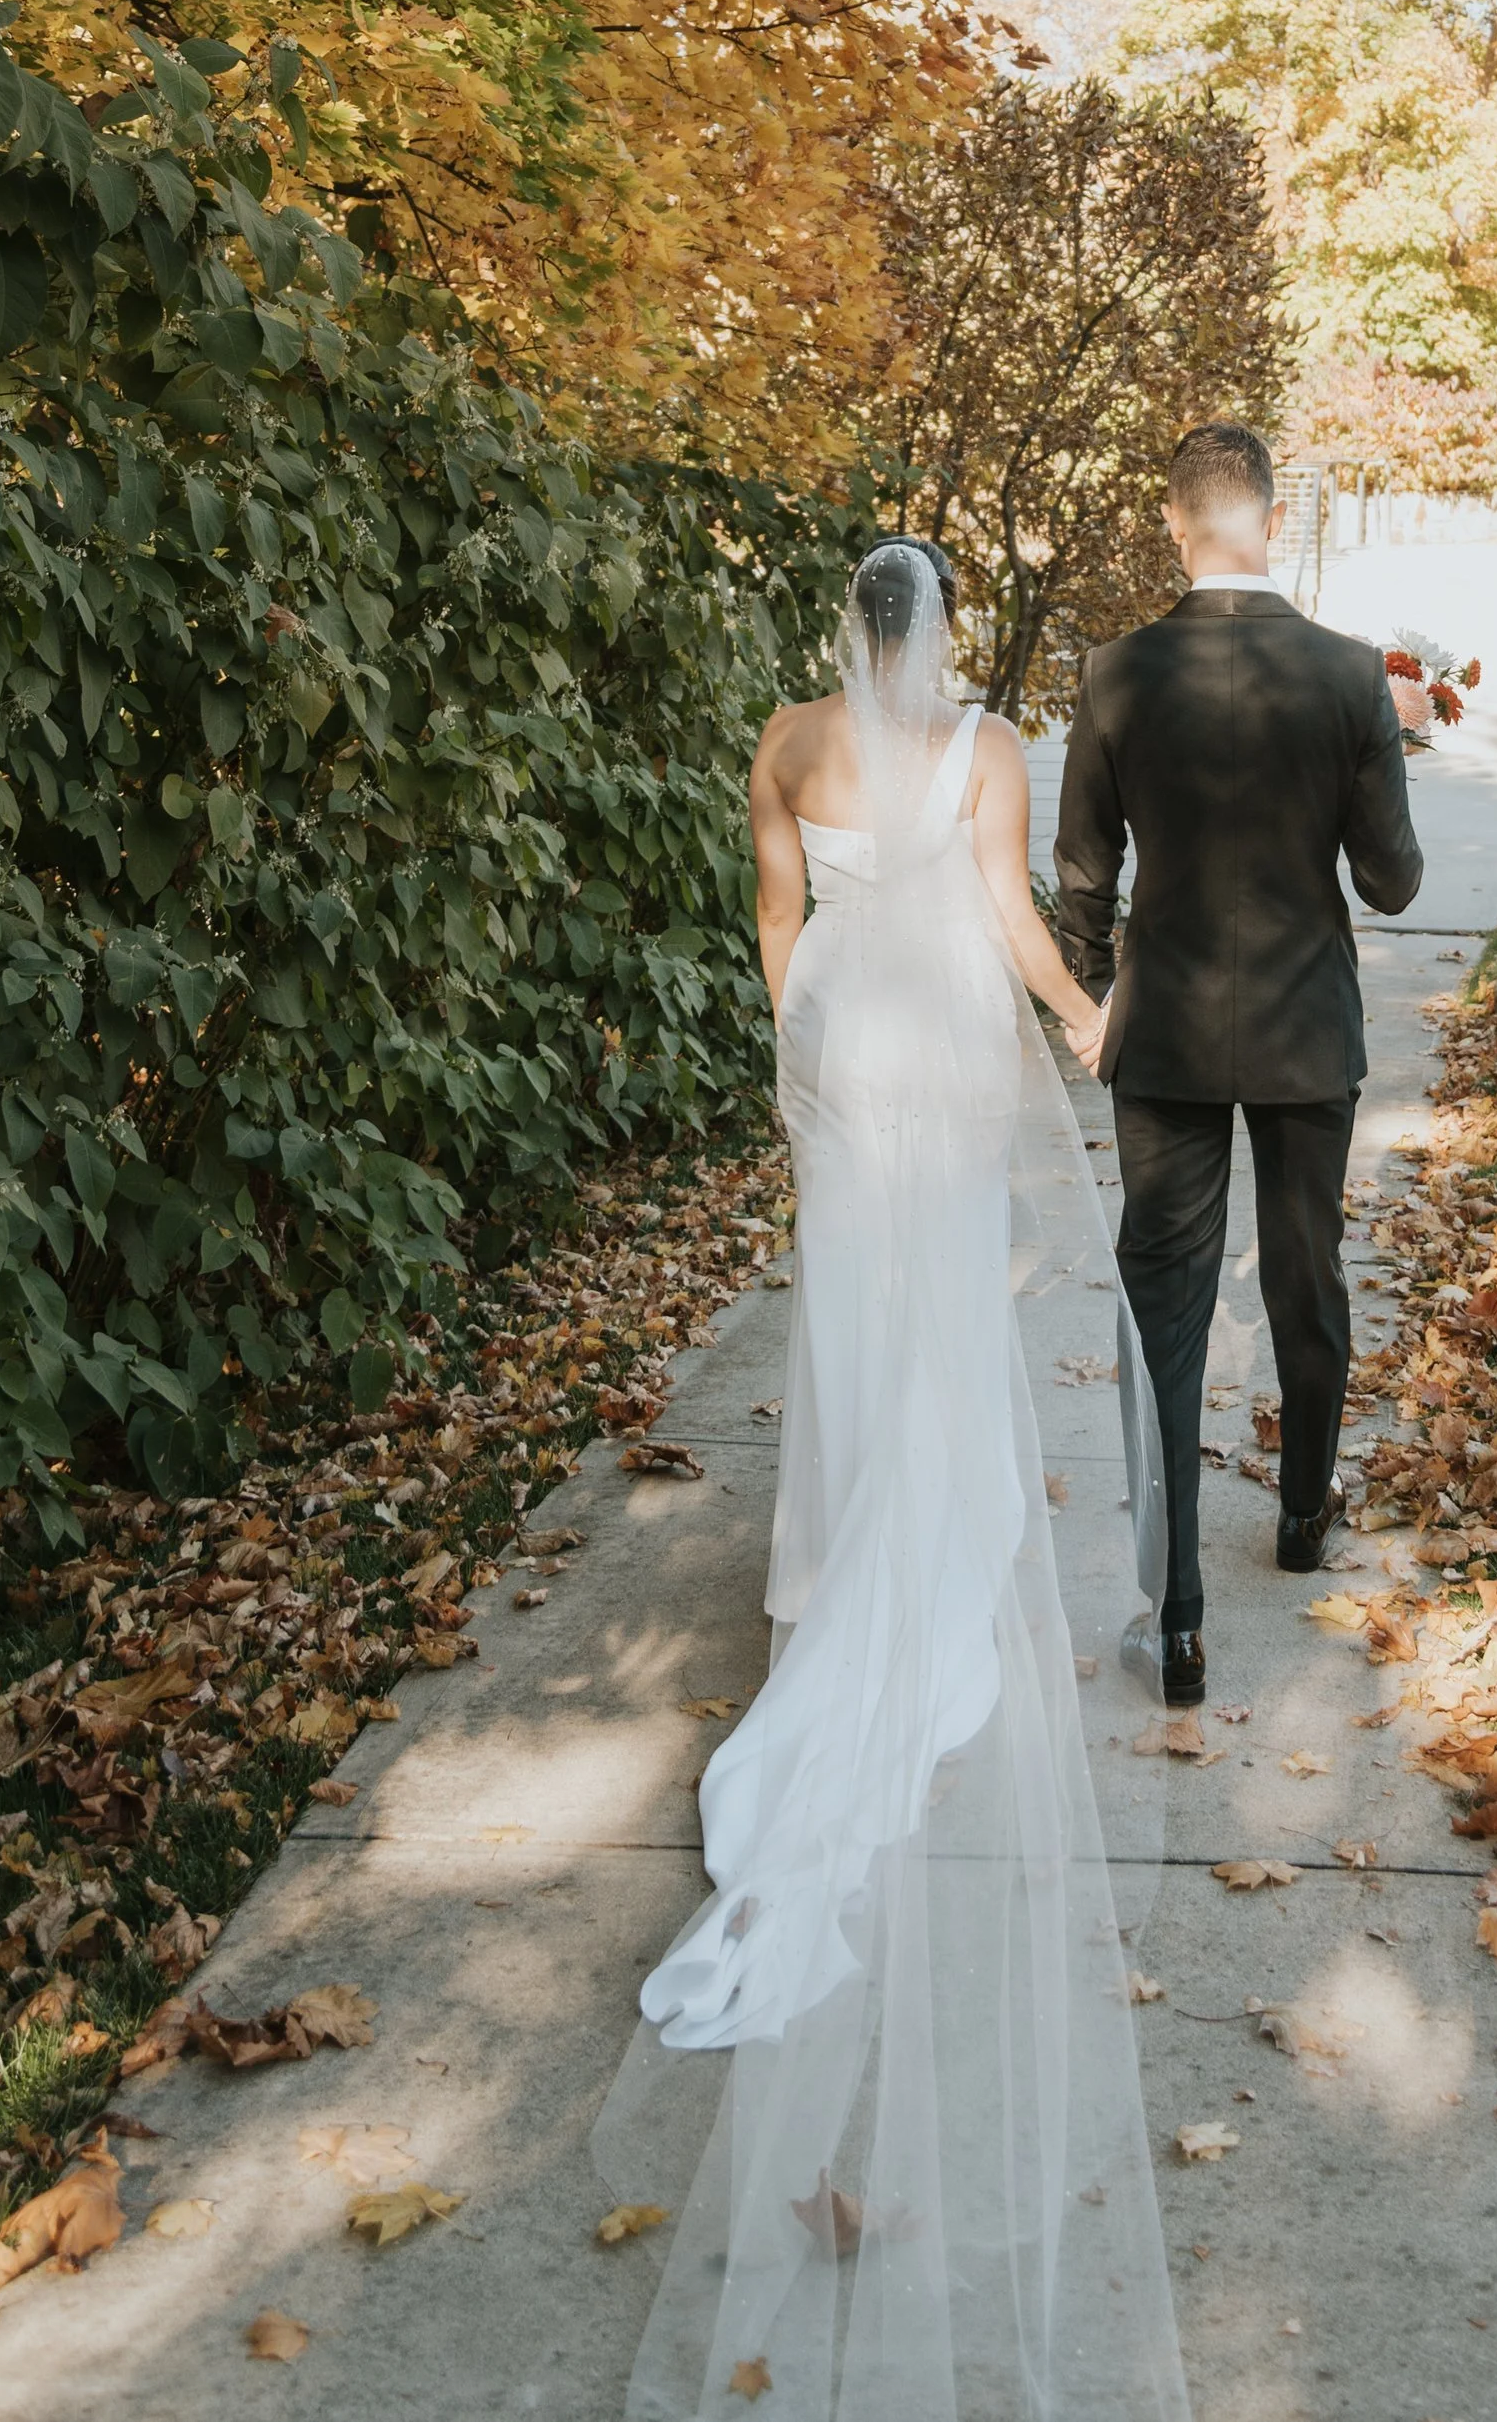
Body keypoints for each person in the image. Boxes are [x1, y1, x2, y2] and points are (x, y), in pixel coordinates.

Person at [594, 537, 1190, 2422]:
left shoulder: (781, 741)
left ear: (835, 632)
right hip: (940, 1041)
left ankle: (850, 1545)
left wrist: (801, 1030)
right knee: (948, 1300)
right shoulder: (986, 747)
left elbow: (770, 926)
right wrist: (1082, 1024)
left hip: (849, 1040)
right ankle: (927, 1559)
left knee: (849, 1306)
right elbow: (1015, 922)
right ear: (934, 635)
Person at [1053, 422, 1422, 1708]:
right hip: (1303, 1025)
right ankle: (1305, 1510)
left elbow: (1083, 875)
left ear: (1174, 523)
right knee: (1306, 1273)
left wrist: (1094, 997)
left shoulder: (1114, 671)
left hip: (1162, 1033)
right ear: (1271, 516)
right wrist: (1388, 757)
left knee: (1167, 1301)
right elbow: (1390, 880)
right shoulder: (1344, 675)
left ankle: (1182, 1617)